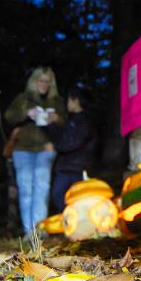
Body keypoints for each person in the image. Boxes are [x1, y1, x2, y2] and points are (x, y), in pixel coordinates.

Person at [4, 66, 66, 233]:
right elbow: (9, 117)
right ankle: (28, 231)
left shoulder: (56, 101)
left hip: (46, 148)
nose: (44, 84)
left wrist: (57, 119)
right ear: (34, 81)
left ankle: (39, 229)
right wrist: (26, 113)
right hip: (22, 149)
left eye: (47, 81)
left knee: (42, 187)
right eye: (41, 81)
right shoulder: (23, 98)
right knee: (25, 189)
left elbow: (66, 124)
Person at [44, 85, 95, 214]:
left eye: (68, 100)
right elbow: (64, 138)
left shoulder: (84, 121)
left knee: (77, 197)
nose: (67, 104)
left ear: (75, 100)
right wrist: (51, 124)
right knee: (59, 195)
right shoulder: (73, 120)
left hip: (77, 167)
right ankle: (71, 218)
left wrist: (55, 145)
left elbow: (71, 142)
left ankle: (78, 219)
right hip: (66, 166)